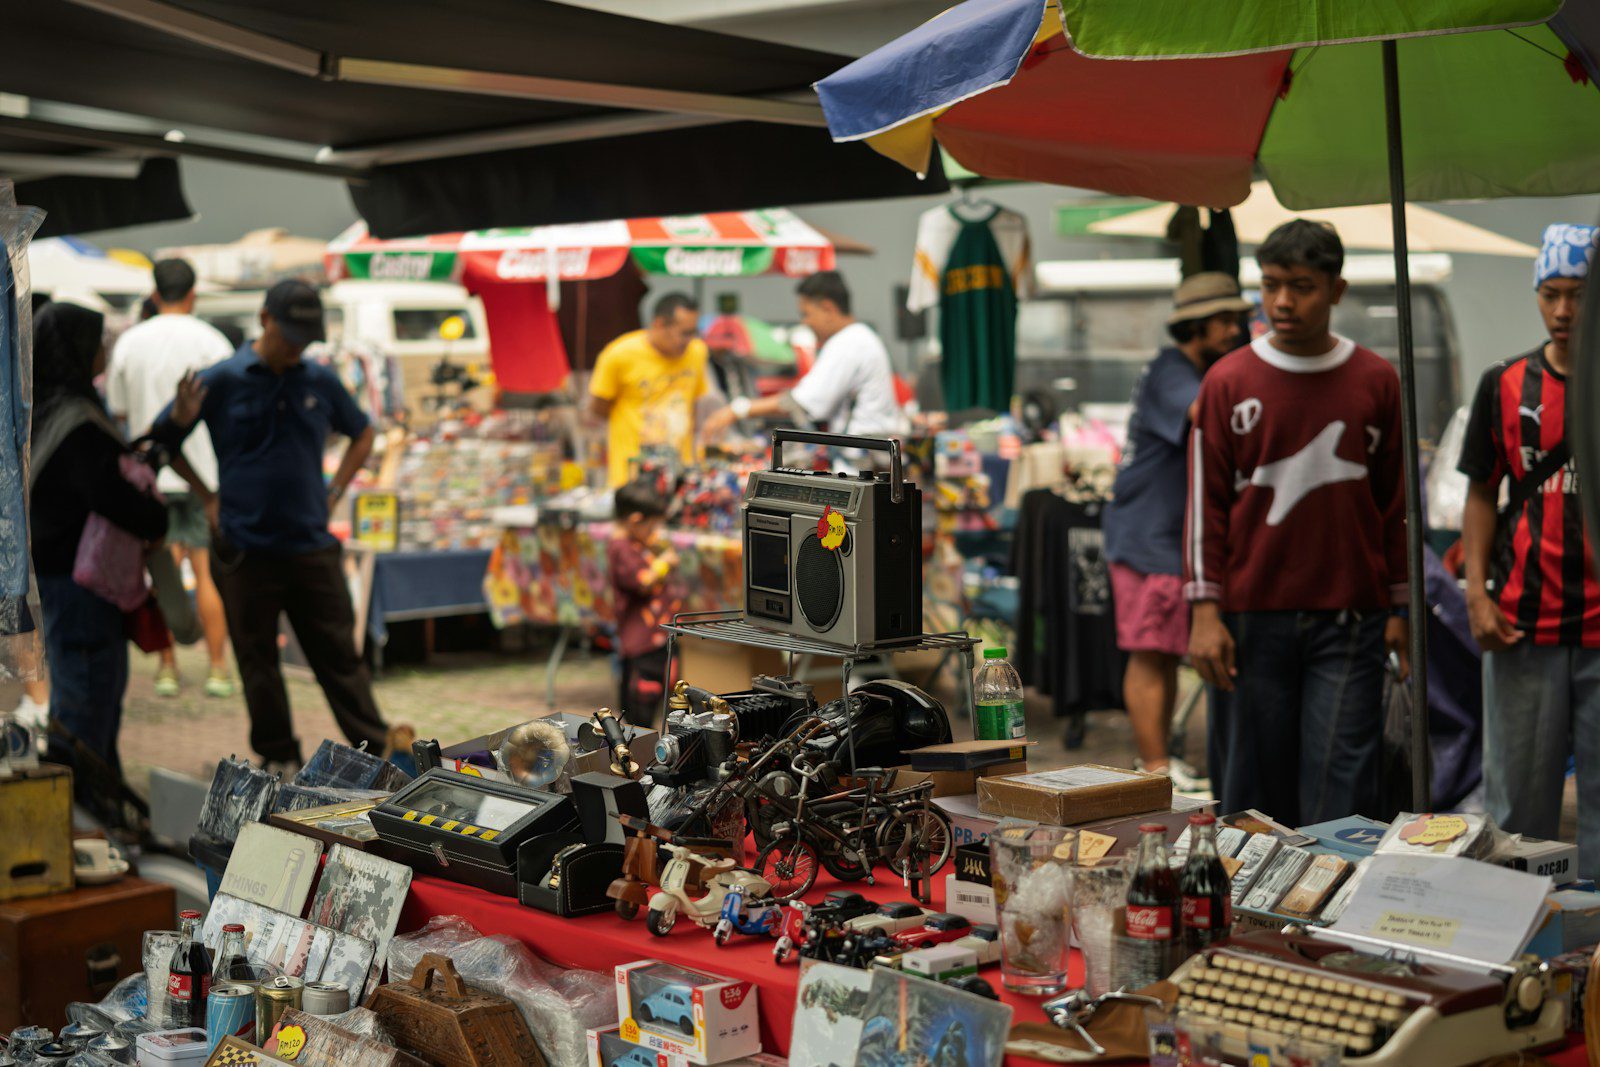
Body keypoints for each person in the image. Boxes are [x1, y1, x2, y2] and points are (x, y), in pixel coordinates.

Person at [1185, 220, 1409, 826]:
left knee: (1344, 782)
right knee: (1254, 788)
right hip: (1249, 621)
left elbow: (1394, 505)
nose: (1283, 301)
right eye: (1272, 284)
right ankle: (1250, 918)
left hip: (1352, 621)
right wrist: (1204, 612)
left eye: (1302, 286)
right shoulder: (1228, 381)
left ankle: (1327, 916)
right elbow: (1204, 506)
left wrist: (1401, 608)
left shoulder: (1376, 380)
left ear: (1336, 290)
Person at [153, 280, 388, 774]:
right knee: (257, 660)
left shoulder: (319, 380)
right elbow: (163, 440)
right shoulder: (219, 380)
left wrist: (336, 490)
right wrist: (206, 495)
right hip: (243, 549)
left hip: (310, 546)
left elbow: (363, 431)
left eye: (305, 337)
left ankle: (378, 749)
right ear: (264, 320)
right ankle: (278, 752)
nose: (296, 346)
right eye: (288, 335)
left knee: (339, 657)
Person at [1458, 223, 1600, 878]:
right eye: (1551, 293)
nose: (1565, 310)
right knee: (1518, 809)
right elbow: (1482, 493)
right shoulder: (1505, 383)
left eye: (1579, 293)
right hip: (1521, 625)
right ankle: (1521, 947)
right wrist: (1476, 595)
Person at [1102, 272, 1250, 793]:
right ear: (1194, 324)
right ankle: (1155, 769)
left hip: (1164, 534)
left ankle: (1162, 765)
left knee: (1163, 652)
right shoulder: (1174, 370)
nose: (1237, 327)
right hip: (1150, 534)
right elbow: (1204, 415)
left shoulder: (1197, 368)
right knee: (1151, 652)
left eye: (1238, 317)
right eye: (1224, 319)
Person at [28, 301, 167, 794]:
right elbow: (109, 494)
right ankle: (81, 812)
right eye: (97, 342)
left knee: (88, 695)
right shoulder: (75, 421)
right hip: (79, 587)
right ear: (75, 350)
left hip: (62, 580)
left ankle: (98, 798)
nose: (104, 350)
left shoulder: (41, 406)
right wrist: (157, 515)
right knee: (86, 700)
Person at [105, 258, 235, 699]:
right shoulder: (213, 342)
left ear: (155, 293)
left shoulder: (129, 343)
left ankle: (167, 669)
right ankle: (218, 669)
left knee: (165, 576)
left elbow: (120, 417)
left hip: (150, 479)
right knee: (205, 573)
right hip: (203, 479)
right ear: (193, 292)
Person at [700, 271, 906, 442]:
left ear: (827, 309)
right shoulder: (861, 337)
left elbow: (800, 403)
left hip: (864, 463)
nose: (805, 323)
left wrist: (737, 409)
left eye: (806, 314)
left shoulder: (848, 343)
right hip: (870, 455)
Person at [589, 293, 709, 488]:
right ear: (659, 324)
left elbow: (693, 406)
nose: (690, 339)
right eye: (684, 333)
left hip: (679, 472)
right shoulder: (619, 354)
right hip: (632, 476)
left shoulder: (697, 352)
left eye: (694, 332)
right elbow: (598, 408)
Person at [607, 476, 682, 725]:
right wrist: (664, 563)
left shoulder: (638, 542)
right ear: (635, 520)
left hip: (658, 636)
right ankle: (638, 757)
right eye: (651, 527)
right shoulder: (621, 547)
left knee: (668, 698)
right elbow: (640, 581)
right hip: (640, 643)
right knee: (639, 709)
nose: (654, 533)